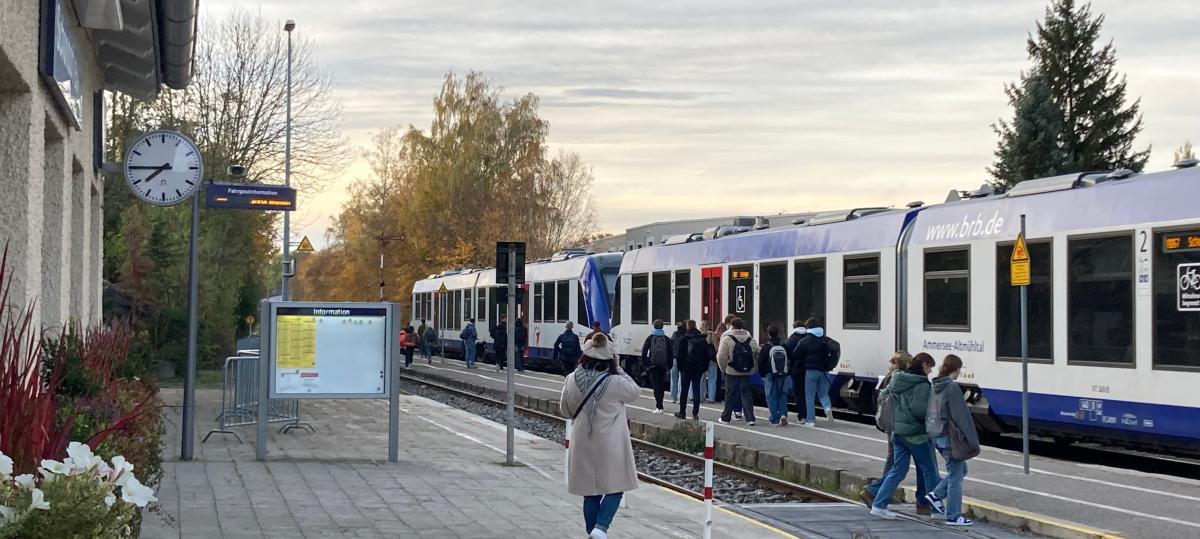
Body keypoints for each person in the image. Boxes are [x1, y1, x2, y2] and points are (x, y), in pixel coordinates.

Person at [559, 333, 640, 539]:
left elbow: (566, 411)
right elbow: (635, 391)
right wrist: (618, 367)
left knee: (590, 492)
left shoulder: (571, 379)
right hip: (610, 443)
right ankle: (601, 527)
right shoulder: (615, 382)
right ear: (609, 359)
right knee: (616, 487)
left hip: (582, 442)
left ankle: (592, 532)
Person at [869, 353, 941, 520]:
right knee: (929, 470)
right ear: (923, 365)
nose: (930, 371)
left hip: (897, 433)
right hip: (915, 435)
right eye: (930, 367)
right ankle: (936, 508)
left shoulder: (897, 379)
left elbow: (882, 396)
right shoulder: (922, 385)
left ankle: (879, 505)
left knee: (898, 470)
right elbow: (920, 410)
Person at [926, 354, 980, 527]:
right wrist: (972, 441)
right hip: (950, 438)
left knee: (960, 469)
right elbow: (961, 417)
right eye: (959, 370)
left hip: (937, 436)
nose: (959, 374)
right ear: (955, 370)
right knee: (956, 476)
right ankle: (954, 515)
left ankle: (935, 495)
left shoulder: (935, 385)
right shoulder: (952, 388)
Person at [717, 317, 759, 425]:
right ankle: (750, 419)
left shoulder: (727, 339)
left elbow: (721, 356)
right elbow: (757, 354)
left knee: (730, 394)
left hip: (731, 371)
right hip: (747, 372)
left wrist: (723, 369)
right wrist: (754, 368)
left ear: (731, 325)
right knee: (746, 394)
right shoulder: (751, 339)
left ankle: (726, 418)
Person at [796, 318, 835, 426]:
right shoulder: (825, 340)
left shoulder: (805, 340)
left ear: (808, 327)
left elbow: (796, 354)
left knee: (809, 396)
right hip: (824, 371)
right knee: (823, 393)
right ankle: (827, 408)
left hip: (810, 371)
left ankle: (810, 420)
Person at [675, 320, 711, 420]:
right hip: (698, 369)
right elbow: (706, 355)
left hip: (686, 369)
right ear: (695, 326)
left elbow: (679, 355)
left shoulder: (683, 339)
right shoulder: (702, 339)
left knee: (684, 390)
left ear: (687, 326)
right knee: (696, 390)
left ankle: (682, 412)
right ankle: (695, 414)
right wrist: (704, 367)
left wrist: (680, 367)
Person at [758, 325, 789, 426]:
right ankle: (783, 414)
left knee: (771, 396)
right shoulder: (784, 346)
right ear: (778, 333)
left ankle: (774, 418)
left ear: (768, 334)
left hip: (769, 374)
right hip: (782, 374)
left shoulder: (766, 347)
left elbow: (760, 362)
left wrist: (762, 374)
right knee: (782, 394)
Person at [640, 319, 674, 414]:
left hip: (653, 365)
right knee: (661, 385)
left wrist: (646, 363)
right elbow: (670, 353)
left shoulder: (650, 338)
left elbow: (644, 351)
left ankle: (659, 406)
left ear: (654, 326)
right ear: (662, 326)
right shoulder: (666, 339)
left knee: (656, 386)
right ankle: (660, 404)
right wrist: (669, 365)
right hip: (663, 365)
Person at [784, 320, 809, 426]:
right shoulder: (809, 337)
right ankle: (810, 415)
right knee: (809, 393)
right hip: (810, 369)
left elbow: (787, 352)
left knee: (799, 393)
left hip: (797, 370)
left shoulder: (792, 339)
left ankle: (802, 416)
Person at [701, 320, 720, 403]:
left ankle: (701, 396)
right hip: (712, 359)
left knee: (702, 379)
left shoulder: (699, 335)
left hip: (702, 359)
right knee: (712, 379)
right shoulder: (712, 335)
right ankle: (711, 398)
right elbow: (717, 348)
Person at [669, 321, 686, 403]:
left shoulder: (675, 334)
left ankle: (673, 397)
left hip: (674, 358)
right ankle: (680, 397)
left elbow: (671, 344)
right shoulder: (686, 335)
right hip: (683, 359)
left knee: (674, 378)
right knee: (681, 379)